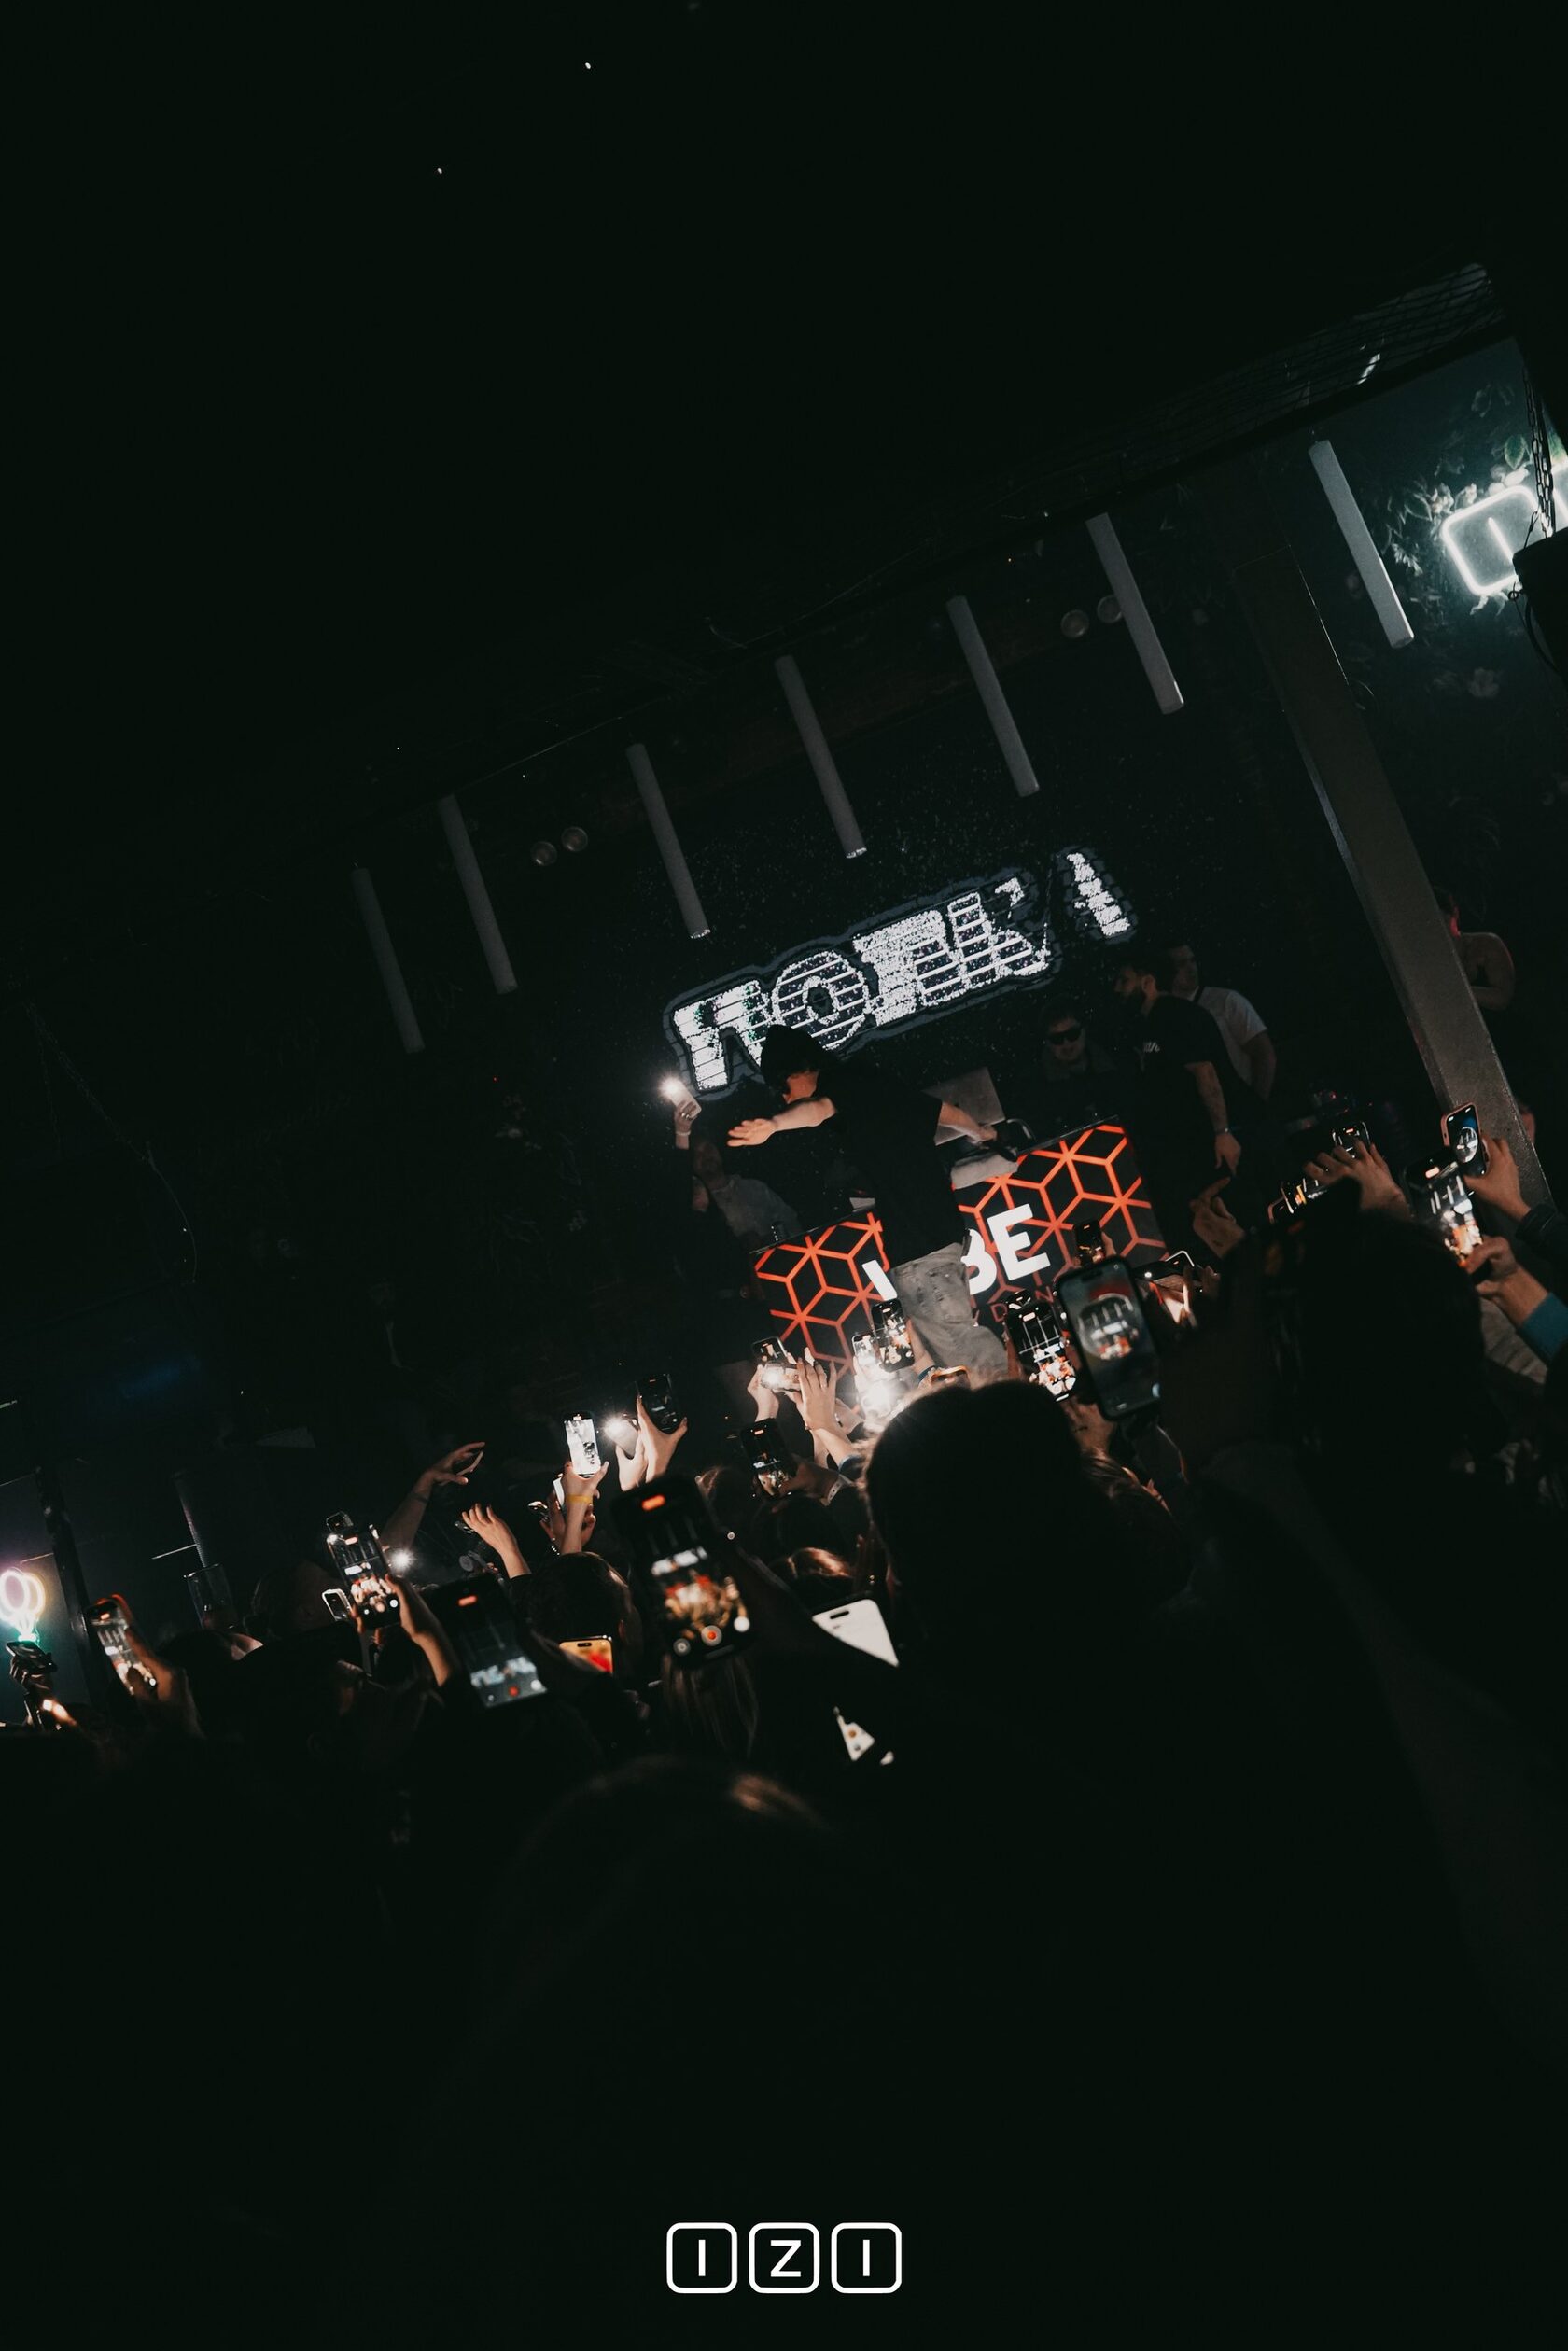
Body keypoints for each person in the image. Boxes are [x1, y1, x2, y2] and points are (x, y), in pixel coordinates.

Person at [730, 1029, 1007, 1378]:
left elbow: (817, 1109)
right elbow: (943, 1112)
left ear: (800, 1068)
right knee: (953, 1360)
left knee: (970, 1357)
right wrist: (982, 1132)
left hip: (920, 1245)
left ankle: (1015, 1403)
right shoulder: (875, 1082)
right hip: (942, 1236)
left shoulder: (844, 1088)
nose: (786, 1099)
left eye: (782, 1088)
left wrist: (774, 1124)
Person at [1110, 948, 1251, 1254]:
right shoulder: (1148, 1024)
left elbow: (1206, 1072)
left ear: (1147, 982)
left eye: (1124, 980)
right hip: (1190, 1144)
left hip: (1212, 1140)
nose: (1118, 988)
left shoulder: (1175, 1015)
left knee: (1231, 1213)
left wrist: (1223, 1132)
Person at [1164, 942, 1277, 1100]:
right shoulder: (1168, 1015)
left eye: (1193, 961)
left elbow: (1264, 1053)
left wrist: (1257, 1102)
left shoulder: (1225, 1000)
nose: (1191, 969)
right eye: (1182, 964)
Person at [1436, 888, 1515, 1014]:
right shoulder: (1430, 956)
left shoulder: (1487, 944)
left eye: (1443, 920)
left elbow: (1502, 997)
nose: (1439, 929)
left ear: (1454, 914)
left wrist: (1456, 990)